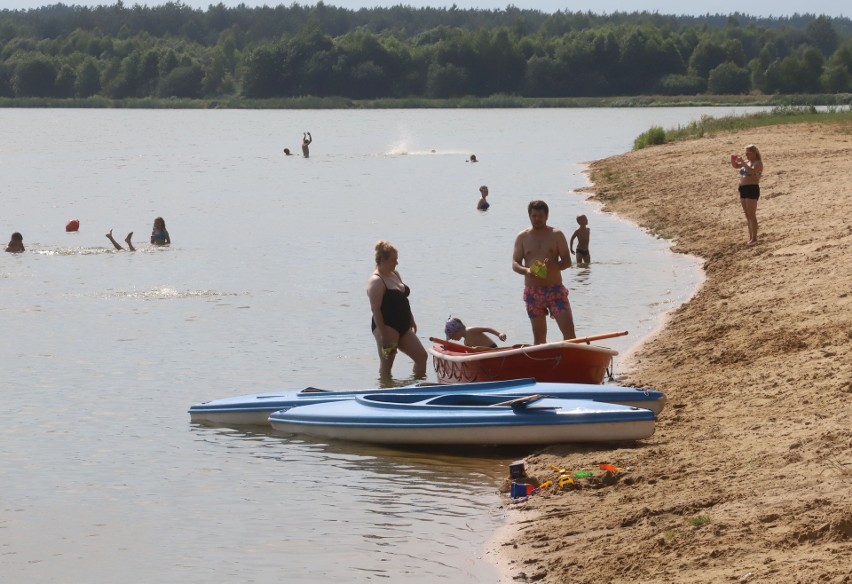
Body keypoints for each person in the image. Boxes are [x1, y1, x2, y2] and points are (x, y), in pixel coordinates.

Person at [512, 200, 576, 344]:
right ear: (529, 216)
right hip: (533, 293)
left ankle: (572, 362)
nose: (537, 219)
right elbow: (515, 263)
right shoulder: (523, 237)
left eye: (540, 216)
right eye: (534, 216)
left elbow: (567, 261)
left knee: (569, 332)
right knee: (539, 338)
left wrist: (555, 265)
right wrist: (526, 270)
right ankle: (542, 364)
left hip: (555, 290)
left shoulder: (556, 234)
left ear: (547, 216)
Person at [367, 240, 427, 378]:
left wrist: (411, 319)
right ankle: (385, 393)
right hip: (387, 327)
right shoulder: (376, 281)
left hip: (403, 326)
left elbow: (403, 299)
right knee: (387, 366)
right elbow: (375, 310)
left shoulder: (395, 274)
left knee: (421, 357)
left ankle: (416, 388)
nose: (396, 263)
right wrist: (384, 335)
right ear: (383, 259)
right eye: (394, 260)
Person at [732, 144, 763, 245]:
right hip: (743, 188)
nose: (746, 155)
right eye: (745, 153)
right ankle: (751, 237)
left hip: (752, 188)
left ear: (754, 153)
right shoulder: (747, 162)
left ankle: (754, 238)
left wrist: (743, 163)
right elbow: (736, 166)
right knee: (747, 216)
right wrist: (733, 159)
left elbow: (752, 170)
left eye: (748, 153)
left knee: (751, 215)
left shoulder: (758, 163)